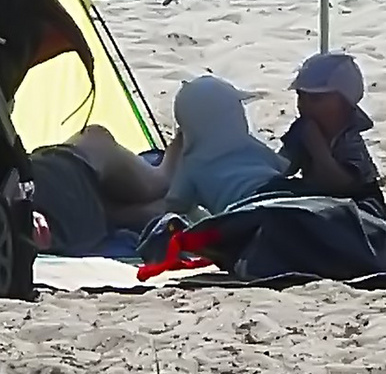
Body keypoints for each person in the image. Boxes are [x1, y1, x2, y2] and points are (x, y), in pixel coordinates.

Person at [27, 123, 174, 256]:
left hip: (66, 224)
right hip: (63, 179)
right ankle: (184, 139)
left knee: (156, 208)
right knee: (159, 182)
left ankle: (122, 214)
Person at [161, 73, 288, 219]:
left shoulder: (192, 163)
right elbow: (287, 167)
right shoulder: (251, 145)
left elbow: (176, 202)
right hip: (283, 195)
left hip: (239, 215)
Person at [277, 51, 386, 214]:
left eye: (316, 99)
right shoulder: (302, 129)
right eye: (301, 96)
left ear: (345, 104)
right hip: (319, 200)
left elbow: (343, 184)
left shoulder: (348, 138)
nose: (304, 106)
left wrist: (317, 148)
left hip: (358, 202)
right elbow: (282, 166)